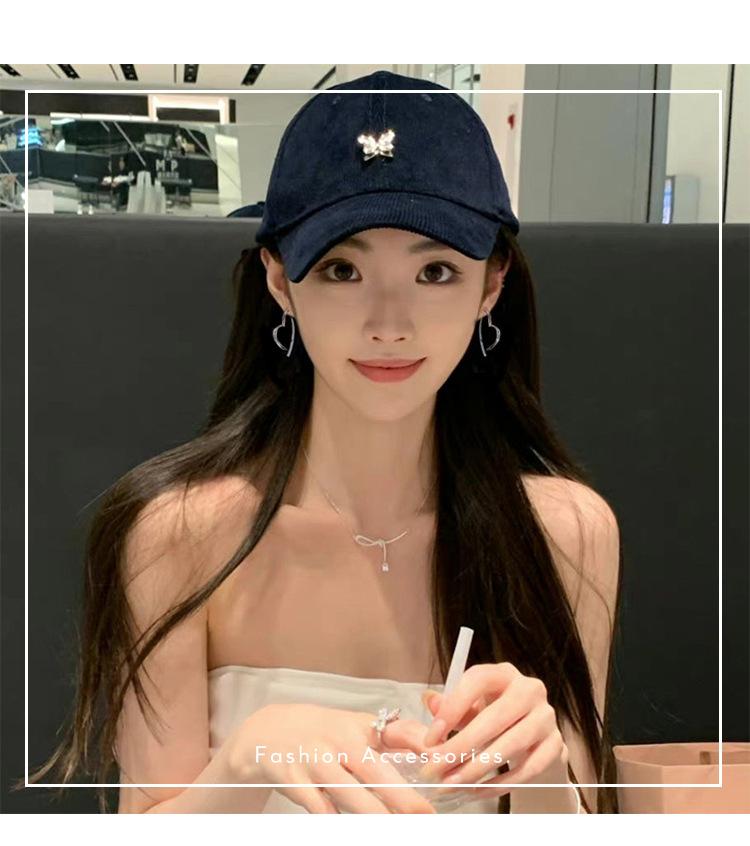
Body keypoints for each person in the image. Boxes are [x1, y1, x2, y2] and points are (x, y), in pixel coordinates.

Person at [21, 70, 622, 815]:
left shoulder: (566, 534)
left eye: (435, 271)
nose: (389, 323)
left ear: (490, 286)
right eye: (342, 269)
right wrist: (251, 756)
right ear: (279, 279)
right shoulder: (180, 539)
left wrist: (542, 771)